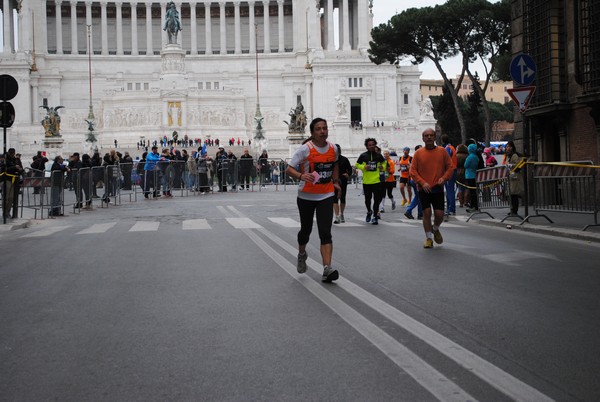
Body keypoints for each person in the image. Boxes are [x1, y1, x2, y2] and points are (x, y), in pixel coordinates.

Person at [285, 117, 341, 283]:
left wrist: (336, 182)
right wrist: (302, 175)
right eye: (318, 129)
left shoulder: (333, 148)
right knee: (306, 230)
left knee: (325, 232)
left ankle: (327, 268)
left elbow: (335, 164)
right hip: (306, 196)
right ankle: (302, 253)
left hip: (326, 194)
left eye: (324, 128)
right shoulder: (305, 149)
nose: (322, 131)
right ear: (312, 132)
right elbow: (289, 169)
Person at [409, 128, 454, 248]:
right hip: (423, 188)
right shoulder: (418, 153)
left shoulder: (442, 151)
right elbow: (413, 171)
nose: (429, 137)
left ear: (435, 137)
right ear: (423, 138)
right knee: (427, 212)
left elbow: (450, 167)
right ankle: (428, 238)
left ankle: (435, 228)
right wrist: (422, 183)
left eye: (431, 135)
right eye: (426, 135)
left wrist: (444, 178)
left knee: (439, 215)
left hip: (437, 187)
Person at [355, 138, 386, 225]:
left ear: (375, 145)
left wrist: (382, 167)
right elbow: (357, 164)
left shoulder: (379, 156)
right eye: (369, 145)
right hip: (367, 182)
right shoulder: (363, 155)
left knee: (376, 200)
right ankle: (369, 211)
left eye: (373, 144)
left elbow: (384, 164)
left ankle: (375, 216)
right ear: (367, 146)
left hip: (376, 181)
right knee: (367, 200)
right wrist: (364, 167)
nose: (371, 146)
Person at [333, 144, 352, 224]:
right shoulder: (331, 160)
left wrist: (348, 174)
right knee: (335, 198)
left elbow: (350, 169)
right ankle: (337, 216)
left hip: (343, 180)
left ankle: (342, 214)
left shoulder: (344, 159)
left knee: (343, 197)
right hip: (334, 181)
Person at [503, 141, 524, 216]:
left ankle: (514, 210)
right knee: (511, 194)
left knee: (514, 194)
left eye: (509, 146)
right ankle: (512, 210)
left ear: (512, 147)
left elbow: (517, 165)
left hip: (515, 177)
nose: (508, 148)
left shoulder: (514, 155)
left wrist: (510, 165)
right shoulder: (508, 156)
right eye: (507, 146)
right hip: (511, 177)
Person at [404, 145, 423, 220]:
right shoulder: (418, 158)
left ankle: (414, 212)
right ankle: (418, 213)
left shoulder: (414, 158)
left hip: (414, 180)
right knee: (420, 197)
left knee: (418, 197)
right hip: (417, 180)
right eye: (421, 149)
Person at [441, 134, 457, 216]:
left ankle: (451, 209)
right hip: (453, 170)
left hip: (449, 171)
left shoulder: (447, 148)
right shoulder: (452, 147)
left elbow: (445, 160)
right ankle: (450, 208)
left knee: (449, 191)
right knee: (450, 190)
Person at [464, 143, 480, 213]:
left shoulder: (470, 157)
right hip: (474, 174)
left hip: (469, 175)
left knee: (471, 192)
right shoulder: (476, 157)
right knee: (474, 192)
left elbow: (465, 165)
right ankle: (475, 205)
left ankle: (473, 205)